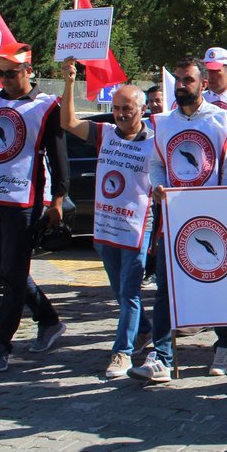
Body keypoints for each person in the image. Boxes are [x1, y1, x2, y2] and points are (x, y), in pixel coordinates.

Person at [130, 57, 227, 384]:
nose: (182, 86)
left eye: (188, 80)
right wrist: (158, 187)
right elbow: (156, 165)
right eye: (178, 80)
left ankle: (224, 346)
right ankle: (162, 356)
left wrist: (225, 207)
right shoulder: (162, 123)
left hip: (214, 216)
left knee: (219, 283)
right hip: (175, 218)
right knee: (167, 287)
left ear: (203, 84)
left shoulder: (225, 121)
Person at [59, 61, 154, 377]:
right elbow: (69, 122)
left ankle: (122, 353)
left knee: (129, 291)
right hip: (106, 225)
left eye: (126, 108)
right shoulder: (105, 134)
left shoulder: (156, 141)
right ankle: (145, 331)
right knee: (118, 289)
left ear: (141, 110)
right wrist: (70, 82)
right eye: (116, 108)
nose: (121, 114)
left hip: (138, 226)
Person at [0, 43, 68, 373]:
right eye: (0, 73)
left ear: (27, 71)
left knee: (12, 275)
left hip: (23, 202)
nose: (5, 79)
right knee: (7, 270)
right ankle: (48, 319)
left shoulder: (46, 105)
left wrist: (57, 202)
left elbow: (58, 157)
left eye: (11, 73)